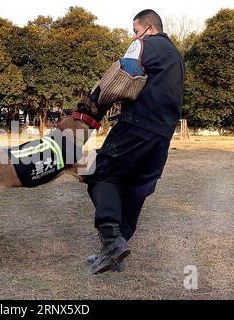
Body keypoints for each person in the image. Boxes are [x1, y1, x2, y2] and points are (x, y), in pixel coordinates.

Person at [85, 9, 185, 274]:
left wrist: (92, 105)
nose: (133, 35)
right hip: (162, 136)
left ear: (149, 28)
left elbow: (122, 76)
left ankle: (110, 240)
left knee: (99, 172)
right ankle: (115, 253)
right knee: (134, 189)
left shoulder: (145, 44)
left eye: (134, 30)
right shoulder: (176, 57)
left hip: (136, 125)